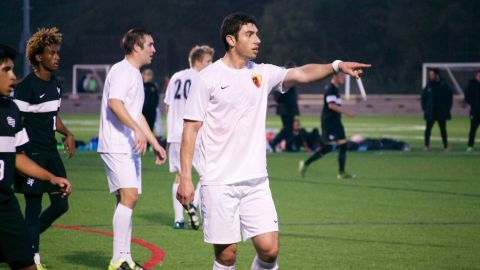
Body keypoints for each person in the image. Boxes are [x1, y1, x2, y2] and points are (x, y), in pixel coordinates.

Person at [176, 13, 370, 270]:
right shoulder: (207, 79)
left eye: (257, 34)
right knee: (226, 256)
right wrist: (186, 177)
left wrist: (335, 66)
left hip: (255, 180)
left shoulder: (263, 73)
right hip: (218, 181)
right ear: (231, 40)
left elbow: (301, 74)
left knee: (269, 251)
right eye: (250, 34)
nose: (258, 39)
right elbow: (190, 130)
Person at [97, 28, 167, 270]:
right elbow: (115, 104)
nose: (154, 49)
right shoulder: (121, 70)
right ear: (137, 47)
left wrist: (155, 142)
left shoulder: (135, 74)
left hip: (127, 145)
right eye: (150, 44)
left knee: (126, 200)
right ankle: (118, 260)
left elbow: (137, 116)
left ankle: (125, 257)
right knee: (129, 197)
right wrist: (136, 131)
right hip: (116, 144)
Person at [0, 44, 72, 270]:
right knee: (32, 209)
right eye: (6, 70)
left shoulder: (55, 85)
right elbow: (19, 122)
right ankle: (32, 252)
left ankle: (21, 242)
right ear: (38, 57)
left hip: (47, 156)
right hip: (34, 153)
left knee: (60, 206)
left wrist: (67, 133)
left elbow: (52, 116)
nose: (13, 76)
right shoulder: (26, 88)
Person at [164, 45, 214, 230]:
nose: (211, 64)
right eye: (209, 61)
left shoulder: (176, 77)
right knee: (207, 173)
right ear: (199, 61)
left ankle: (178, 219)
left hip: (175, 134)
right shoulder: (203, 78)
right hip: (195, 134)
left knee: (180, 176)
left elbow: (168, 106)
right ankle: (193, 203)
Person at [299, 73, 356, 179]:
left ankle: (341, 173)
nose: (343, 78)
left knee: (343, 145)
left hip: (336, 122)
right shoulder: (331, 89)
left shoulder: (335, 89)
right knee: (328, 147)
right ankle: (306, 163)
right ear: (335, 76)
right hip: (329, 122)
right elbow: (331, 106)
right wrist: (347, 112)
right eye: (342, 76)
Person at [269, 61, 299, 152]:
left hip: (288, 108)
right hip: (286, 109)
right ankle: (274, 142)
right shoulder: (286, 79)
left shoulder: (289, 79)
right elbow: (279, 96)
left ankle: (289, 147)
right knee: (287, 128)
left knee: (288, 129)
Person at [421, 68, 453, 152]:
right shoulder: (428, 85)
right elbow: (423, 98)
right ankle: (426, 146)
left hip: (441, 112)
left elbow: (449, 98)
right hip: (431, 112)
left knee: (443, 130)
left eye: (432, 74)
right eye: (430, 75)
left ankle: (445, 146)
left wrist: (447, 108)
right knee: (428, 129)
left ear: (437, 75)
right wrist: (425, 108)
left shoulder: (444, 85)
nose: (430, 76)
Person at [464, 70, 480, 152]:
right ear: (476, 76)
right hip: (475, 112)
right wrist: (473, 104)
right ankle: (470, 145)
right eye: (478, 76)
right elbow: (467, 96)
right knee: (473, 129)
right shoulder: (472, 85)